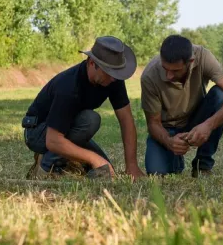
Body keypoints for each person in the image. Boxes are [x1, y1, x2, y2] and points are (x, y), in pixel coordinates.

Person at [23, 36, 145, 180]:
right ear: (92, 63)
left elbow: (126, 120)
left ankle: (66, 161)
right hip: (39, 132)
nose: (114, 79)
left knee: (105, 173)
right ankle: (46, 167)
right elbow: (53, 140)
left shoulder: (113, 79)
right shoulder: (69, 86)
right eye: (109, 73)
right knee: (91, 120)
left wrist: (132, 166)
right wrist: (94, 159)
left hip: (67, 128)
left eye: (116, 74)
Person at [140, 35, 223, 177]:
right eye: (165, 68)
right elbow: (153, 124)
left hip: (197, 119)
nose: (169, 76)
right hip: (167, 128)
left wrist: (208, 125)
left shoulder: (203, 57)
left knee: (221, 95)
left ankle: (202, 165)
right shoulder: (149, 76)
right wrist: (169, 142)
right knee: (156, 174)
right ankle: (175, 158)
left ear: (190, 62)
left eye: (175, 71)